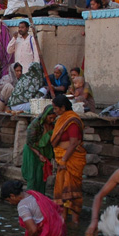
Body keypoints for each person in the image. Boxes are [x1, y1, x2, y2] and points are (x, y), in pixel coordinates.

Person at [1, 180, 68, 236]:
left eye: (8, 200)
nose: (10, 203)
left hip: (49, 233)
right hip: (58, 226)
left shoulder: (22, 206)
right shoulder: (33, 193)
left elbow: (33, 230)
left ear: (12, 196)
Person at [47, 95, 86, 226]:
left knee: (72, 191)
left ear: (63, 107)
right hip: (62, 160)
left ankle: (75, 222)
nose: (54, 111)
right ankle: (62, 221)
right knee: (62, 191)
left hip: (71, 160)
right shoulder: (62, 119)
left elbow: (74, 143)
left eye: (56, 108)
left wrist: (64, 159)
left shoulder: (72, 121)